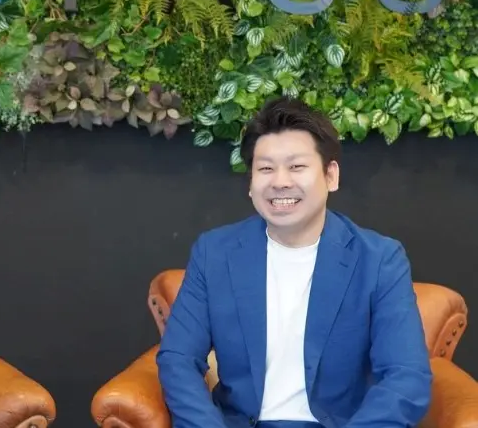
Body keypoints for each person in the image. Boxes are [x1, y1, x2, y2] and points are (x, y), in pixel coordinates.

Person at [157, 95, 432, 428]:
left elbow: (406, 376)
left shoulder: (379, 260)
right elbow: (178, 359)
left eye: (297, 167)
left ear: (331, 176)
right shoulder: (214, 253)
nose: (280, 182)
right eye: (265, 169)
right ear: (251, 183)